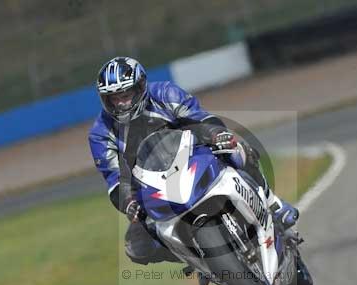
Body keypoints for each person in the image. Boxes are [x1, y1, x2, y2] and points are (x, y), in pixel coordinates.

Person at [88, 56, 298, 268]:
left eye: (126, 95)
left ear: (140, 86)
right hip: (151, 186)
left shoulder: (166, 94)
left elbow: (200, 120)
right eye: (114, 98)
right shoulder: (101, 134)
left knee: (237, 149)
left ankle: (274, 204)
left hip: (194, 156)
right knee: (137, 248)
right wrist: (129, 203)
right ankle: (196, 259)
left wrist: (217, 134)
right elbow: (115, 180)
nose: (122, 103)